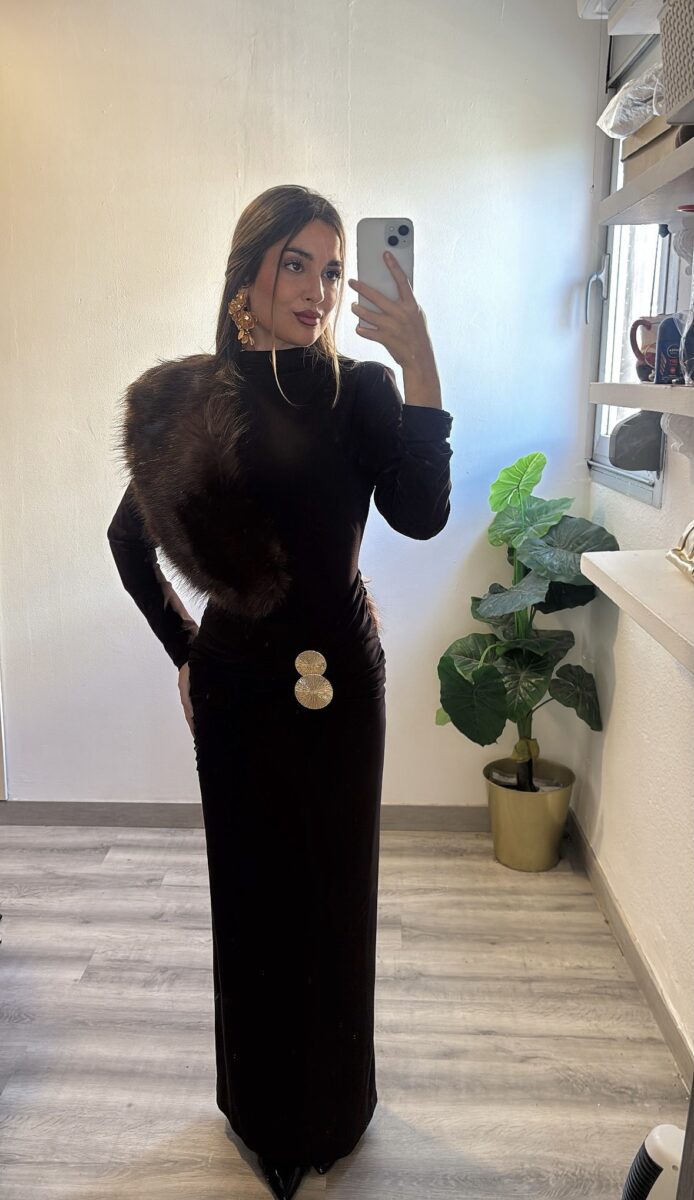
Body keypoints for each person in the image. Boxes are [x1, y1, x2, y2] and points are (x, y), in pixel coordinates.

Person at [107, 184, 454, 1200]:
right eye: (296, 263)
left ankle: (334, 1113)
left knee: (337, 897)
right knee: (253, 899)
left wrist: (421, 359)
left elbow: (423, 515)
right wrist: (184, 650)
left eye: (333, 269)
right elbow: (127, 542)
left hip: (344, 683)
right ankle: (260, 1115)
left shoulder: (364, 391)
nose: (319, 289)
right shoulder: (193, 400)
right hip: (238, 691)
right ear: (246, 277)